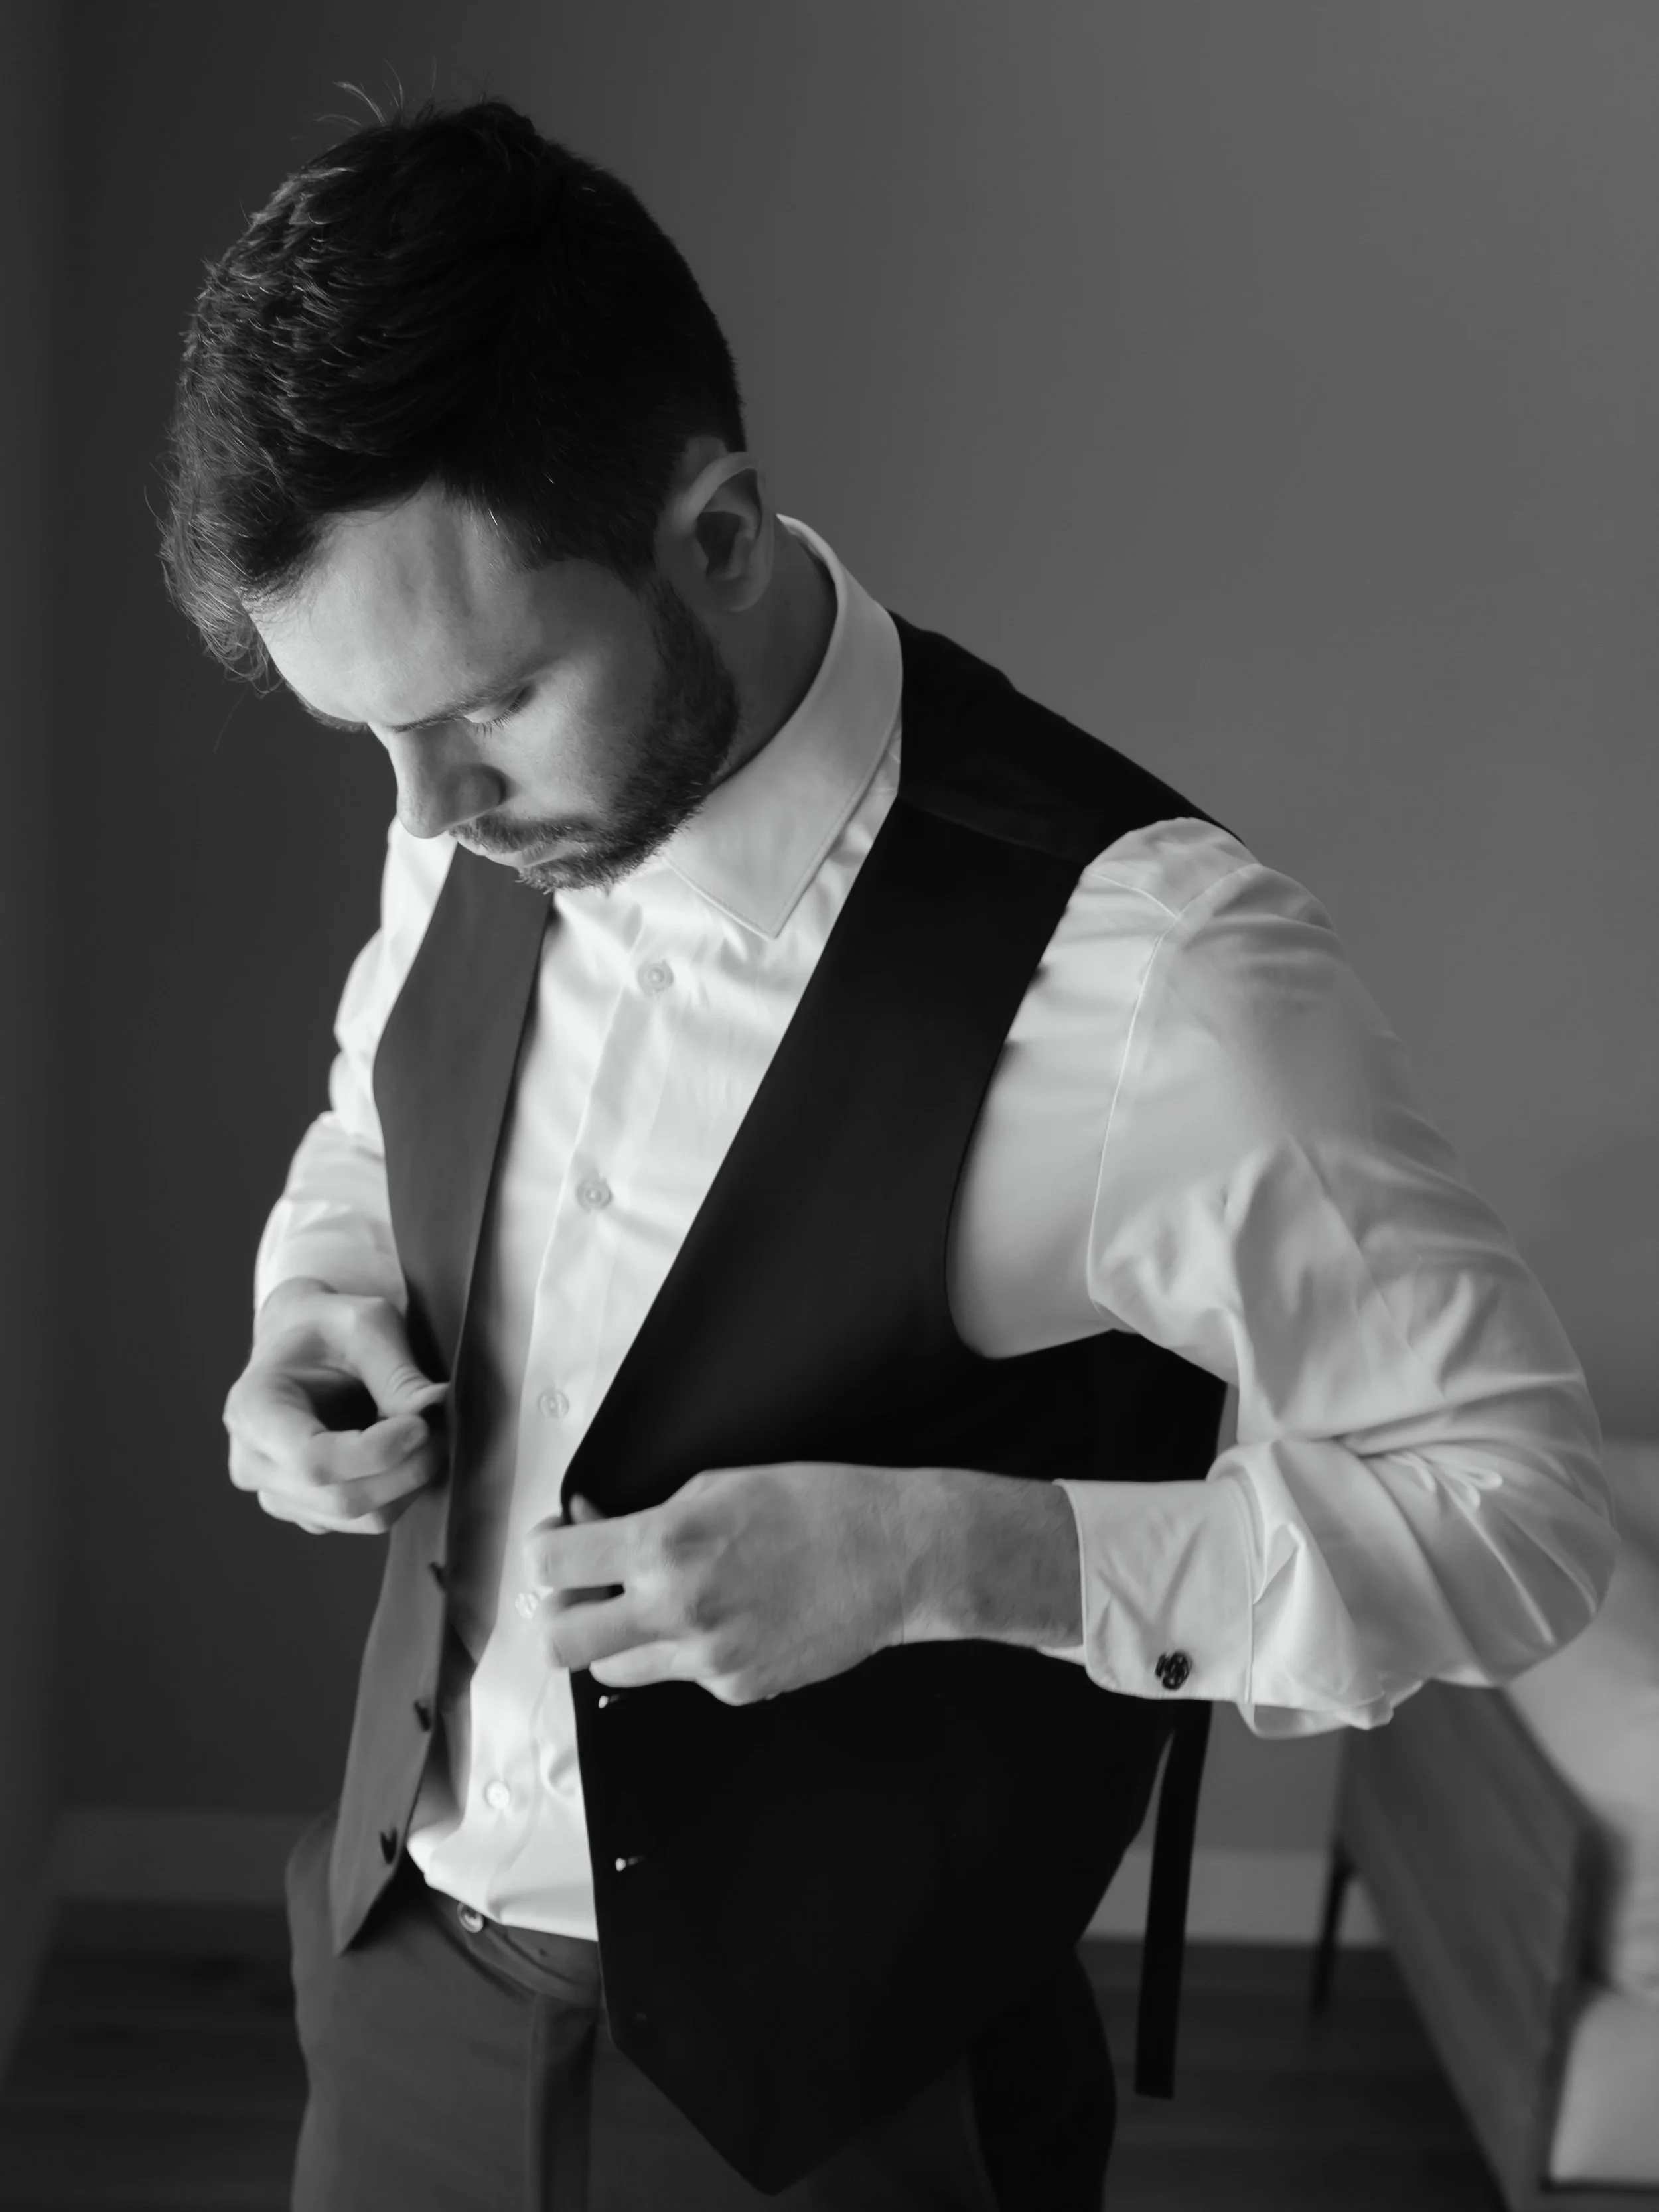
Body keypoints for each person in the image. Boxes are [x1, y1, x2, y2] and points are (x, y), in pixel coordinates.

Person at [161, 96, 1616, 2212]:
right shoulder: (467, 797)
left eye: (480, 708)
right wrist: (314, 1305)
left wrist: (968, 1554)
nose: (418, 810)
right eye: (363, 737)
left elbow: (1521, 1514)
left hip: (855, 2115)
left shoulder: (1160, 977)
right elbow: (373, 1116)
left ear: (716, 534)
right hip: (401, 1992)